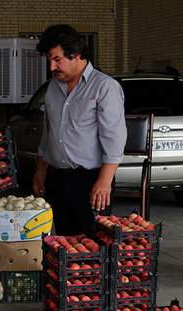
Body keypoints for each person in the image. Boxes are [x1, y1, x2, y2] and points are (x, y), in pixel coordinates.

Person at [33, 24, 126, 237]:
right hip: (57, 178)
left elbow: (114, 138)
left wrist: (104, 181)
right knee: (65, 243)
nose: (51, 67)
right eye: (49, 60)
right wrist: (41, 169)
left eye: (57, 59)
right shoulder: (52, 88)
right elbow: (49, 132)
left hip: (91, 180)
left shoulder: (104, 87)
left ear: (75, 55)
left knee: (92, 243)